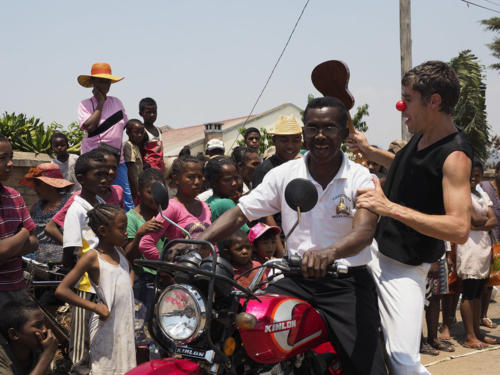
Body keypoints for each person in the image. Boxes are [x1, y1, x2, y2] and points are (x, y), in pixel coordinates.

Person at [195, 97, 387, 375]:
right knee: (241, 326)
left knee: (367, 367)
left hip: (345, 285)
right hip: (295, 279)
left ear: (344, 134)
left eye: (329, 128)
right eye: (312, 128)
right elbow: (240, 213)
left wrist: (328, 253)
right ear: (304, 134)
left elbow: (364, 232)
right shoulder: (284, 174)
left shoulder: (361, 178)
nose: (320, 136)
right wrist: (202, 243)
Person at [347, 60, 473, 375]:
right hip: (375, 252)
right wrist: (370, 151)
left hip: (404, 268)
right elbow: (411, 168)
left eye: (408, 98)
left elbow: (459, 228)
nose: (402, 106)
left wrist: (388, 207)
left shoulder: (455, 156)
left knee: (404, 362)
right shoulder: (420, 135)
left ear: (434, 101)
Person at [56, 204, 136, 374]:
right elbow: (62, 289)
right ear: (103, 230)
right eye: (121, 228)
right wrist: (95, 307)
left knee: (125, 367)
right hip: (106, 328)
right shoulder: (92, 257)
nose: (126, 233)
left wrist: (128, 288)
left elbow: (129, 270)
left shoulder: (119, 251)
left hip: (123, 325)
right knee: (105, 368)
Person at [62, 150, 108, 375]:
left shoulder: (100, 202)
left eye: (107, 174)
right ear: (81, 178)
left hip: (102, 285)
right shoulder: (76, 210)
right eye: (98, 174)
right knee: (80, 348)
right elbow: (69, 252)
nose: (105, 179)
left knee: (97, 341)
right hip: (84, 287)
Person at [77, 62, 133, 211]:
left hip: (117, 160)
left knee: (126, 198)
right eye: (101, 80)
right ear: (93, 83)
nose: (105, 84)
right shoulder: (85, 104)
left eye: (107, 81)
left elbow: (126, 126)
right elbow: (89, 126)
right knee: (94, 198)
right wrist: (100, 103)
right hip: (94, 161)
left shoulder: (117, 102)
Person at [456, 161, 497, 348]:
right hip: (469, 246)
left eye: (478, 175)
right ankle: (469, 335)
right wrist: (480, 223)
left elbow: (493, 220)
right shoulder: (461, 193)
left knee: (479, 292)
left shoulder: (482, 193)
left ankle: (477, 332)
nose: (474, 178)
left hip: (483, 247)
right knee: (469, 292)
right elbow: (474, 217)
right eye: (471, 174)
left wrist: (476, 225)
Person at [139, 156, 212, 259]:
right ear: (176, 179)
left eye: (200, 177)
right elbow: (146, 244)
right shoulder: (171, 208)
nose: (197, 182)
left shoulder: (205, 207)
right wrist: (168, 266)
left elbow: (212, 244)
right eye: (191, 177)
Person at [0, 136, 38, 307]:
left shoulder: (14, 196)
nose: (10, 164)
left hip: (18, 289)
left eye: (11, 157)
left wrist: (9, 248)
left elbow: (34, 243)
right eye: (2, 158)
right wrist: (23, 233)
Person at [19, 163, 73, 264]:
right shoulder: (35, 208)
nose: (35, 188)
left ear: (51, 185)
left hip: (64, 266)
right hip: (40, 267)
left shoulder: (70, 204)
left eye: (38, 184)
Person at [0, 300, 58, 375]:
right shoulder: (2, 358)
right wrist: (47, 356)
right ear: (14, 334)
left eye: (44, 324)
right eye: (38, 325)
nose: (45, 330)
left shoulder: (39, 351)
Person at [479, 161, 500, 329]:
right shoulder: (484, 187)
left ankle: (484, 315)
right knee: (479, 282)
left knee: (491, 281)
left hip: (498, 243)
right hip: (484, 240)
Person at [139, 97, 164, 172]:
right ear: (141, 114)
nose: (152, 115)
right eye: (148, 112)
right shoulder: (142, 132)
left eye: (154, 112)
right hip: (149, 170)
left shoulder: (159, 130)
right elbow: (139, 152)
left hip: (160, 169)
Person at [124, 119, 145, 205]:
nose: (140, 135)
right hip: (133, 187)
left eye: (141, 132)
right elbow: (131, 169)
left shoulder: (136, 146)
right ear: (128, 132)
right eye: (136, 132)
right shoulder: (129, 145)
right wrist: (137, 190)